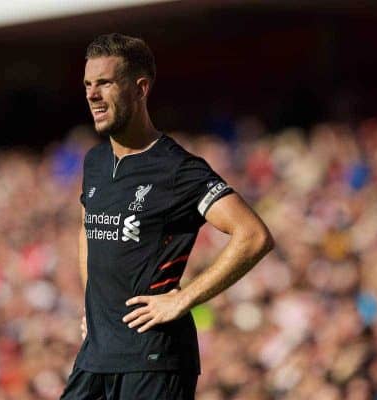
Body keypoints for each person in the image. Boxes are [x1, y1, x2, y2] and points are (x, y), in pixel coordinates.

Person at [60, 33, 274, 400]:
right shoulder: (95, 163)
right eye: (87, 85)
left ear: (140, 88)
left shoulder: (176, 169)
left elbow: (253, 235)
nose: (92, 95)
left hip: (154, 359)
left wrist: (183, 298)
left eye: (105, 83)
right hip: (96, 355)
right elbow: (88, 228)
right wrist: (92, 306)